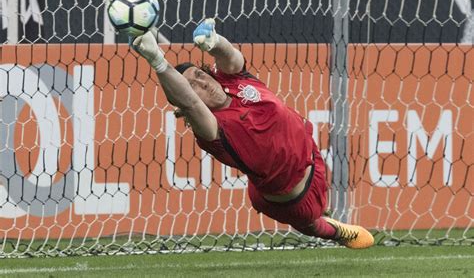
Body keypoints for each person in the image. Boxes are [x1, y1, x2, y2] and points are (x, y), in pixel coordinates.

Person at [132, 19, 374, 249]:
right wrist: (158, 62)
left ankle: (326, 218)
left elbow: (232, 57)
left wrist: (214, 41)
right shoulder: (211, 128)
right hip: (295, 199)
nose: (202, 83)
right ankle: (337, 232)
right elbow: (190, 104)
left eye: (200, 74)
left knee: (316, 208)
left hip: (312, 155)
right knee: (313, 224)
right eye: (192, 85)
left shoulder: (233, 79)